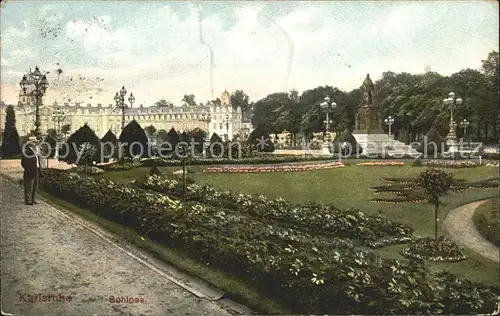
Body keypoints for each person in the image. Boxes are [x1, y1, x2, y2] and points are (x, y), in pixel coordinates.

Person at [21, 137, 43, 205]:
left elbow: (38, 161)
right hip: (29, 171)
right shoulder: (26, 151)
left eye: (35, 143)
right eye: (34, 143)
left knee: (35, 186)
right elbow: (23, 163)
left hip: (36, 170)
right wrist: (28, 169)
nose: (35, 144)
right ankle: (28, 200)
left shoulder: (35, 151)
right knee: (29, 186)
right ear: (30, 144)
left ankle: (33, 199)